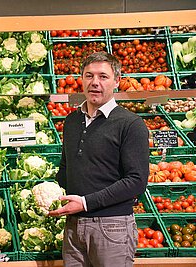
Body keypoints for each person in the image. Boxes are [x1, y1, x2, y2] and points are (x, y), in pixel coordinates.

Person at [48, 51, 149, 266]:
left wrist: (85, 203)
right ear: (82, 79)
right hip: (74, 226)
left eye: (103, 76)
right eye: (89, 75)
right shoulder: (72, 121)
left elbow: (137, 181)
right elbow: (66, 168)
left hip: (112, 227)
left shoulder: (131, 124)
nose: (95, 83)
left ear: (117, 81)